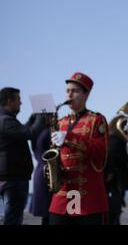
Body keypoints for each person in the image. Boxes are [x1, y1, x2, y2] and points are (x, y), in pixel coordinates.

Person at [48, 72, 109, 225]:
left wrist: (69, 138)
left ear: (86, 94)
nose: (69, 95)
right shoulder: (60, 122)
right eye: (67, 91)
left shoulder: (97, 120)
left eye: (74, 91)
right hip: (62, 197)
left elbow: (100, 152)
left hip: (88, 199)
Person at [0, 87, 45, 225]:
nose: (21, 103)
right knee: (13, 218)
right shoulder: (5, 121)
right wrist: (41, 117)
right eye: (18, 100)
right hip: (14, 178)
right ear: (9, 101)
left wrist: (32, 118)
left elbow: (22, 131)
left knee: (13, 216)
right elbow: (29, 133)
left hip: (10, 177)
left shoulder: (6, 120)